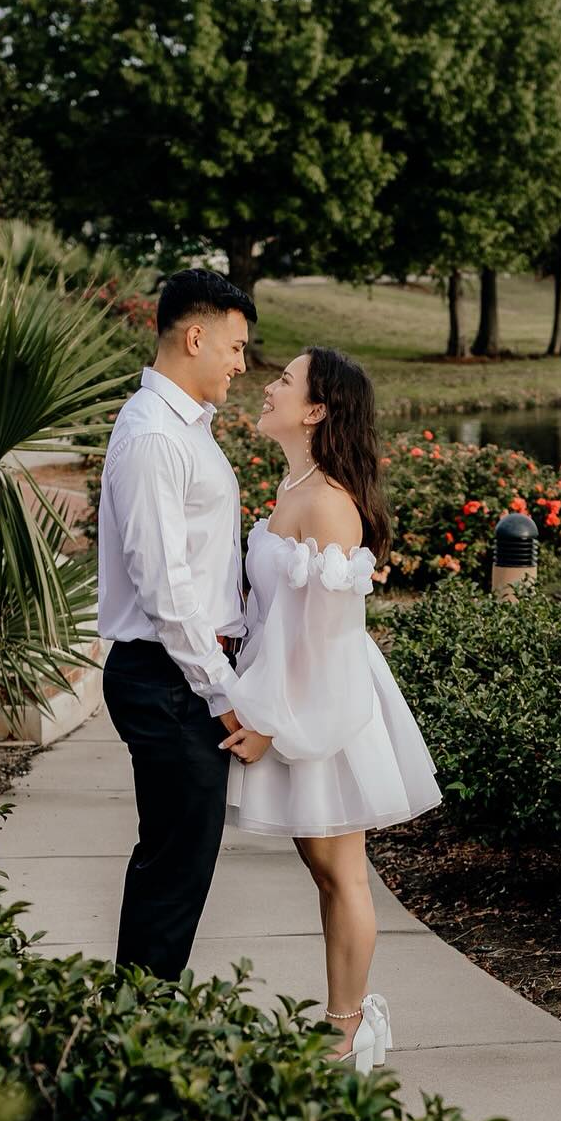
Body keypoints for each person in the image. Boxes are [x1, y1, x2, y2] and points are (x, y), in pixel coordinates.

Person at [221, 347, 441, 1071]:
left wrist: (269, 723)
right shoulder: (296, 484)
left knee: (342, 871)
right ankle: (347, 1019)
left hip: (325, 703)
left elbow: (319, 638)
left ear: (316, 410)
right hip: (292, 688)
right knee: (324, 868)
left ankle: (347, 1029)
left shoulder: (326, 504)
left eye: (283, 381)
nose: (267, 387)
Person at [97, 268, 257, 980]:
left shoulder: (184, 429)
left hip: (178, 677)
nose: (241, 363)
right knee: (173, 871)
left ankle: (138, 1034)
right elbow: (167, 589)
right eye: (236, 346)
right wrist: (221, 693)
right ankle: (135, 1043)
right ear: (197, 336)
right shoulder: (154, 437)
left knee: (179, 865)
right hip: (168, 680)